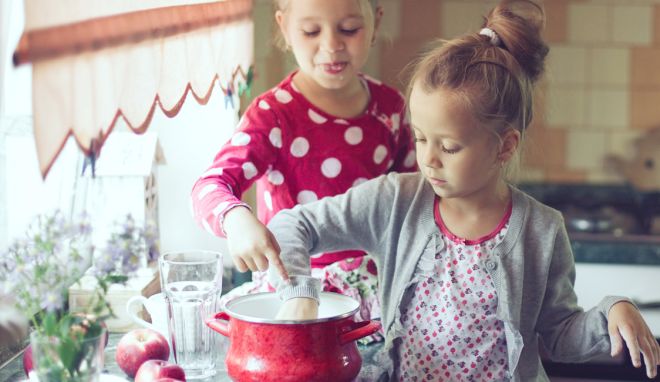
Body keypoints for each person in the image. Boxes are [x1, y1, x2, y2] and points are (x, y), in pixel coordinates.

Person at [265, 0, 660, 380]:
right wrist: (300, 292)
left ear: (504, 146)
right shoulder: (394, 202)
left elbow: (559, 334)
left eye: (449, 146)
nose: (429, 159)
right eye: (420, 138)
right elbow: (292, 226)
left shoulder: (542, 229)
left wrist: (611, 313)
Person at [190, 0, 417, 340]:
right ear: (284, 27)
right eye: (311, 31)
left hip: (378, 291)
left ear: (375, 24)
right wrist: (234, 218)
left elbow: (411, 199)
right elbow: (210, 185)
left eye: (349, 29)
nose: (331, 45)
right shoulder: (273, 114)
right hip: (295, 290)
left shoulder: (391, 108)